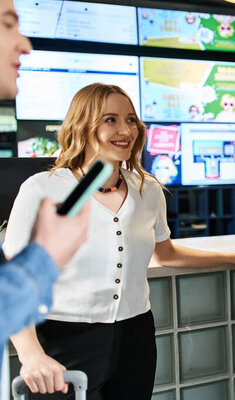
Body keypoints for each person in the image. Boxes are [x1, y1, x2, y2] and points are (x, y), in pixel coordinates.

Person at [3, 83, 235, 400]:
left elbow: (166, 254)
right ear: (83, 125)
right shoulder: (43, 189)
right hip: (63, 337)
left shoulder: (148, 189)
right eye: (111, 120)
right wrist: (30, 353)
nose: (125, 130)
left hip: (135, 337)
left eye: (131, 119)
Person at [0, 0, 89, 366]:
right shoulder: (39, 186)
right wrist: (44, 256)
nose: (25, 44)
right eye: (7, 25)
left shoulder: (143, 187)